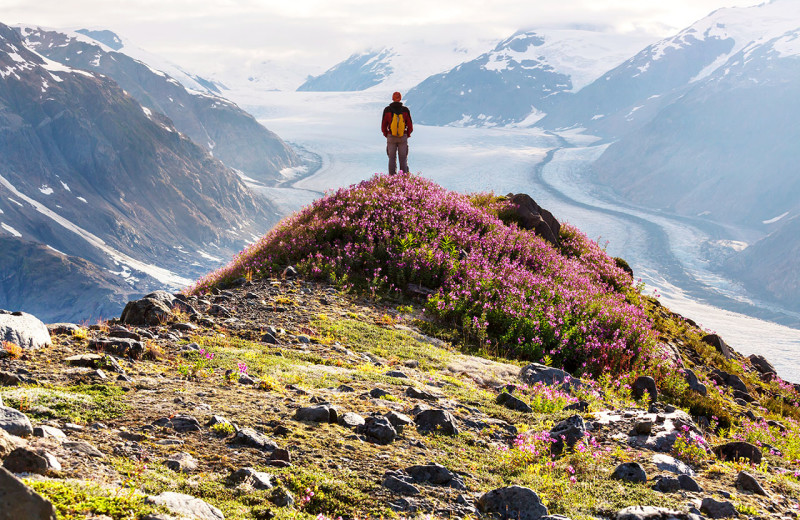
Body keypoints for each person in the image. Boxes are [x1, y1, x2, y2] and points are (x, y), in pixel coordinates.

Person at [381, 91, 413, 175]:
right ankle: (404, 178)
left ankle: (392, 177)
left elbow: (383, 125)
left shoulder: (387, 110)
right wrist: (407, 134)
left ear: (392, 98)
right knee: (403, 158)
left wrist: (387, 134)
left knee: (392, 158)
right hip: (402, 136)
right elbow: (410, 126)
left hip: (391, 136)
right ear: (400, 98)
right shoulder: (405, 110)